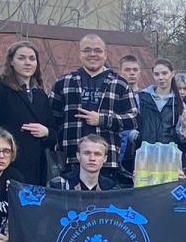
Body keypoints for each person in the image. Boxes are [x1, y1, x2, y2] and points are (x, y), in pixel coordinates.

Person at [50, 32, 138, 173]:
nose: (92, 54)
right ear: (80, 54)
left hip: (107, 162)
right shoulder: (64, 83)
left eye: (97, 50)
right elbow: (52, 121)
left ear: (105, 54)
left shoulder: (119, 84)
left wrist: (102, 119)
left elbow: (133, 119)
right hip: (71, 159)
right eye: (87, 50)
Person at [0, 40, 54, 186]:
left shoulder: (40, 94)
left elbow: (54, 132)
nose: (27, 63)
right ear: (11, 61)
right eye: (21, 58)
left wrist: (47, 132)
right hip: (5, 163)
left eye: (32, 58)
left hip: (35, 166)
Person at [137, 58, 186, 148]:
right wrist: (137, 137)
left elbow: (181, 135)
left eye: (164, 73)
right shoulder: (141, 98)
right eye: (157, 74)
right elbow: (133, 125)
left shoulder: (179, 103)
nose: (160, 77)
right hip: (144, 152)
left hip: (169, 154)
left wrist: (184, 125)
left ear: (172, 73)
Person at [49, 134, 124, 191]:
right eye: (87, 153)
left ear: (105, 159)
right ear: (78, 156)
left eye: (97, 154)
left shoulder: (113, 189)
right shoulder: (58, 185)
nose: (92, 158)